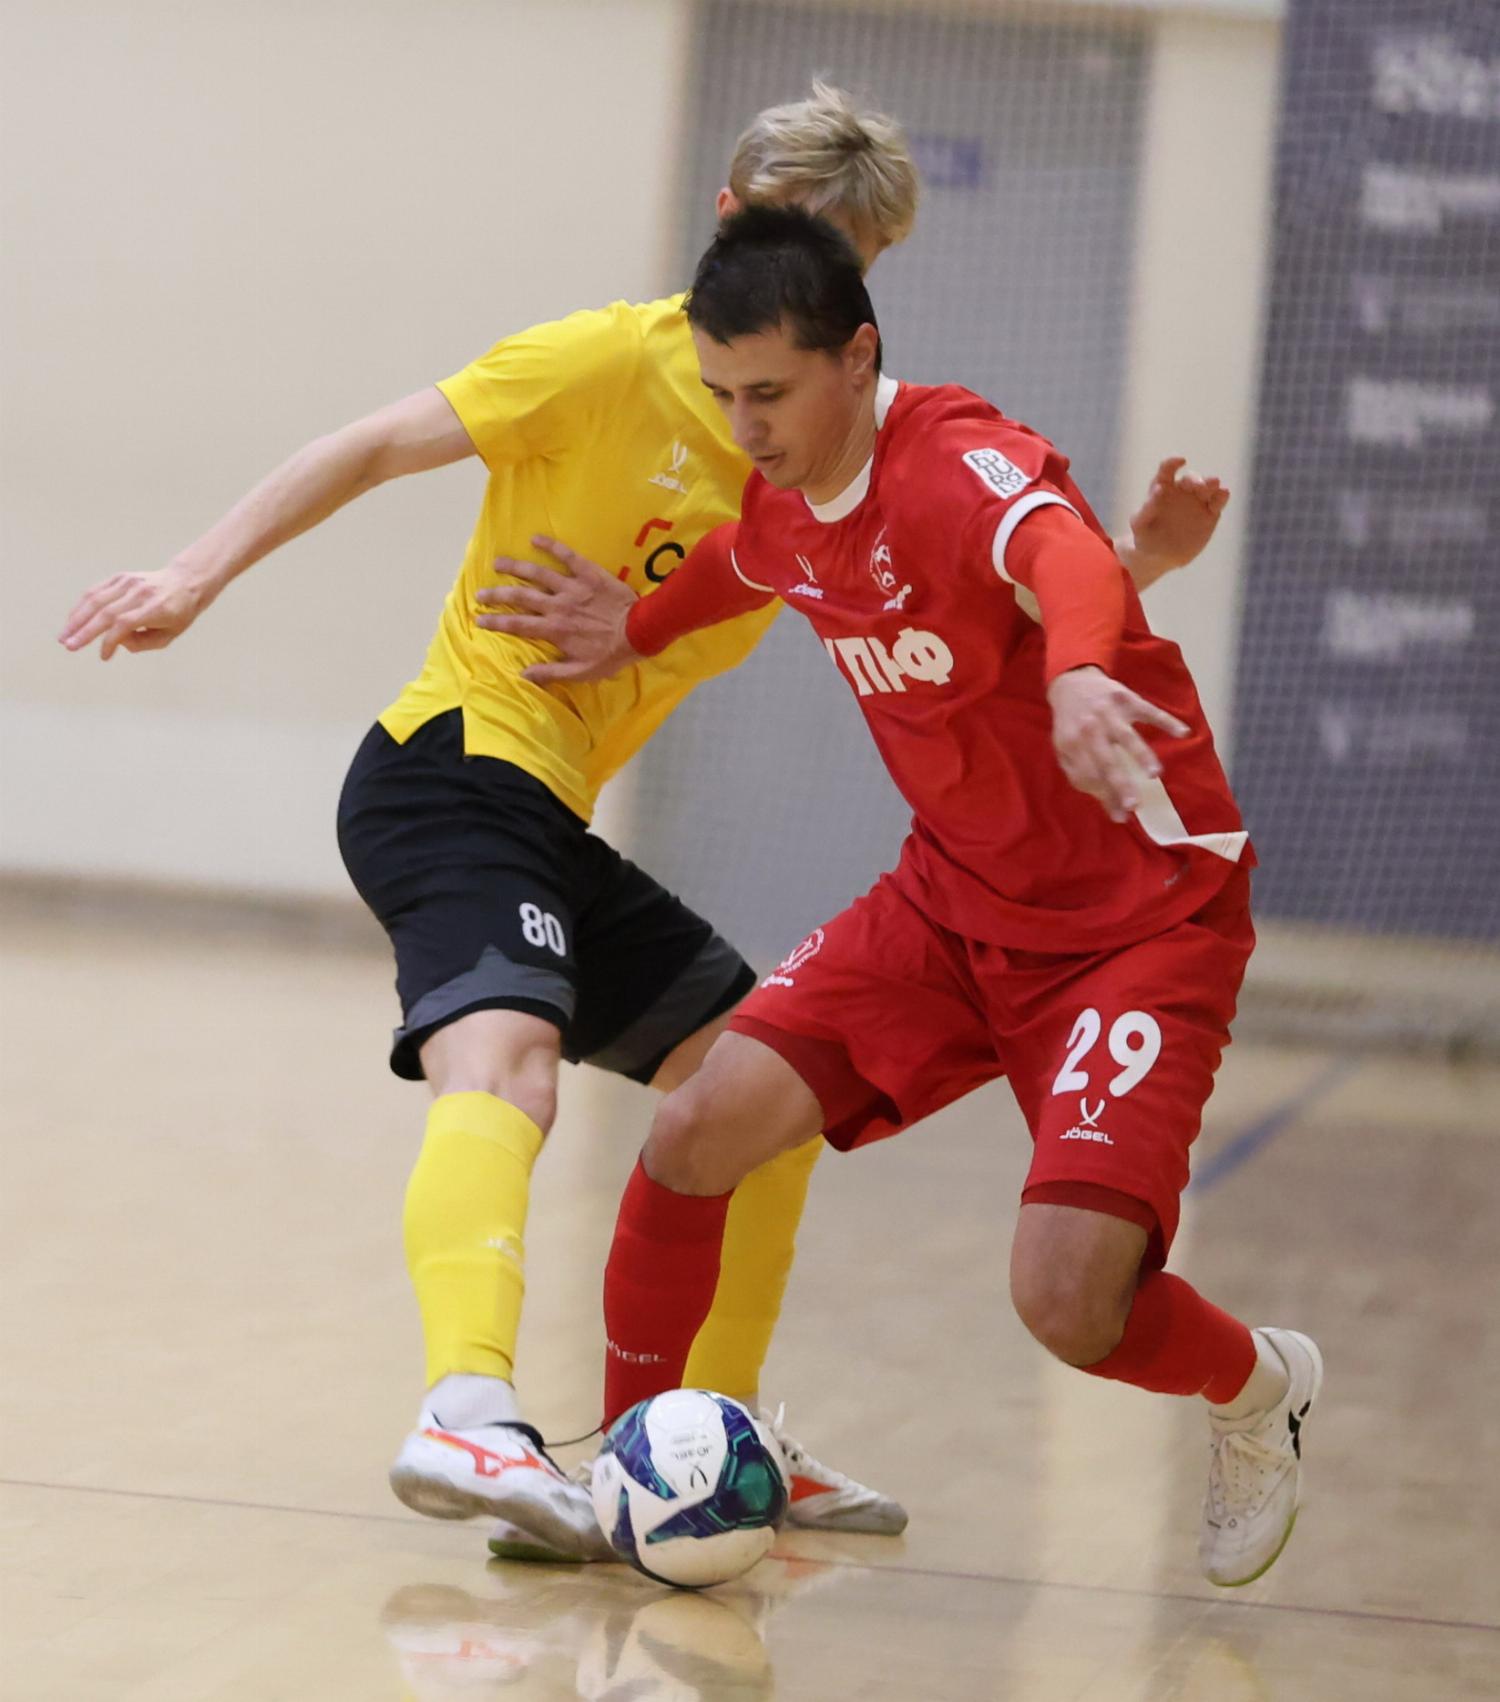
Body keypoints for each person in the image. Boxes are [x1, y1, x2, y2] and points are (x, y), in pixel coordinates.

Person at [56, 88, 1229, 1566]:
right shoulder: (609, 359)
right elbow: (371, 443)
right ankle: (468, 1408)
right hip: (454, 761)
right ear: (734, 222)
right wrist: (191, 574)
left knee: (751, 1102)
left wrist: (1126, 566)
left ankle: (706, 1439)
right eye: (808, 242)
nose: (826, 286)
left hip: (552, 811)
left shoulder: (823, 433)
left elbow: (957, 581)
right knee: (506, 1058)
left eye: (859, 264)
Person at [498, 206, 1319, 1589]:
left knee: (1070, 1304)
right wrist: (628, 628)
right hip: (947, 902)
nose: (745, 427)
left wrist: (1078, 671)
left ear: (859, 358)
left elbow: (1059, 550)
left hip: (1140, 924)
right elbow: (740, 561)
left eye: (769, 393)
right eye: (722, 394)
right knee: (694, 1130)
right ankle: (627, 1467)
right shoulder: (782, 497)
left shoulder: (950, 457)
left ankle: (1261, 1385)